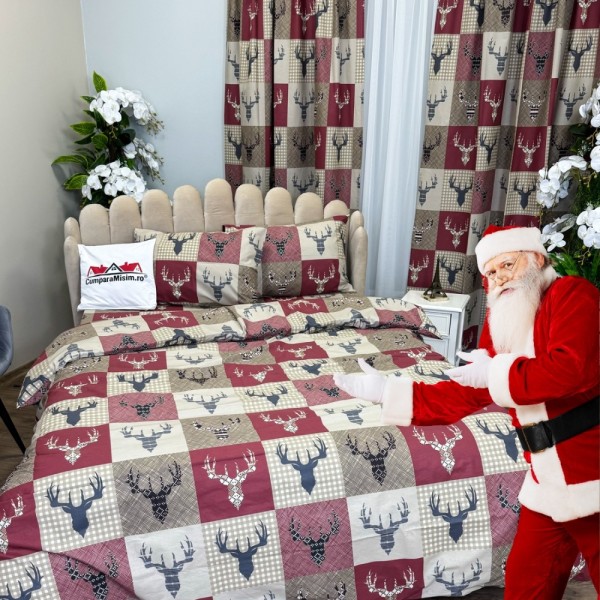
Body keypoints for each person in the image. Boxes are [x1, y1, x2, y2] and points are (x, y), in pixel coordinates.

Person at [334, 225, 599, 599]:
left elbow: (571, 370)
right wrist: (387, 392)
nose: (500, 278)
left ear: (537, 259)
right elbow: (465, 394)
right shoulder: (506, 320)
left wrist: (494, 372)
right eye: (490, 272)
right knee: (526, 584)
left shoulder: (572, 294)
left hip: (591, 473)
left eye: (508, 264)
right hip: (546, 481)